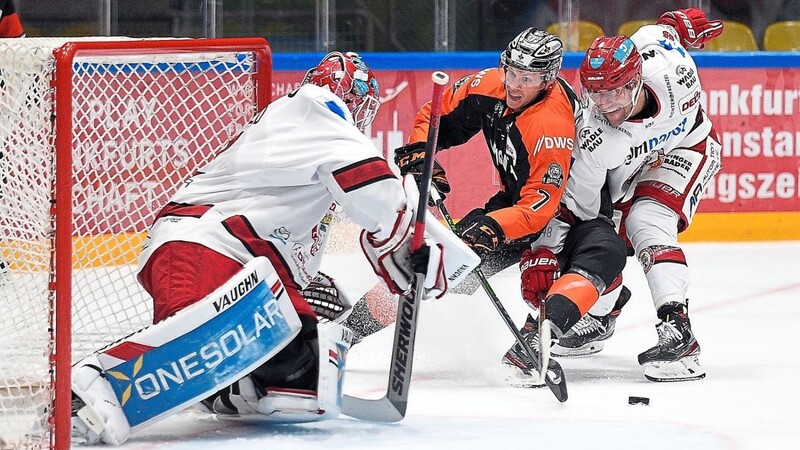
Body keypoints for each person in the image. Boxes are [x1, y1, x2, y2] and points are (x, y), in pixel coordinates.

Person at [68, 52, 473, 445]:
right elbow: (371, 184)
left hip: (225, 257)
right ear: (350, 97)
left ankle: (231, 388)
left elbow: (289, 227)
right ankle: (87, 391)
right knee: (198, 349)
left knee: (306, 383)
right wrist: (408, 241)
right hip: (208, 247)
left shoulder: (296, 129)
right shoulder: (317, 108)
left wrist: (307, 287)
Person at [515, 8, 723, 382]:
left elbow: (665, 30)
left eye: (614, 92)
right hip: (626, 174)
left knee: (648, 219)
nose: (604, 104)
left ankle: (678, 331)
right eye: (594, 93)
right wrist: (546, 251)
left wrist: (680, 21)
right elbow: (580, 211)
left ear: (637, 80)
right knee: (600, 240)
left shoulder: (672, 70)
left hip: (688, 148)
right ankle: (599, 317)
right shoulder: (595, 137)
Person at [340, 27, 581, 345]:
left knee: (542, 276)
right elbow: (433, 116)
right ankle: (350, 330)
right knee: (435, 264)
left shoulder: (550, 127)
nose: (514, 85)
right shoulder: (490, 84)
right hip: (517, 200)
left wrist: (492, 228)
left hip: (568, 212)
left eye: (527, 79)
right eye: (512, 72)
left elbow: (540, 209)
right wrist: (422, 156)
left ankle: (573, 324)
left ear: (547, 80)